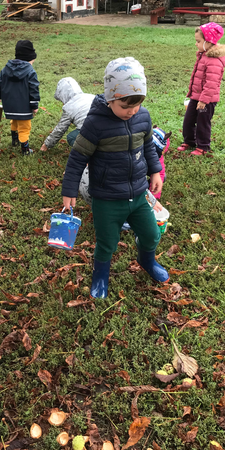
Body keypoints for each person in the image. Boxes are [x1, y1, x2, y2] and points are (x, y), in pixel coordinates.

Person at [62, 57, 169, 299]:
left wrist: (154, 171)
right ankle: (100, 276)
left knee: (151, 234)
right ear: (110, 98)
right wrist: (69, 190)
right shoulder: (95, 124)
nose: (132, 111)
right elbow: (77, 158)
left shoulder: (143, 117)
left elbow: (148, 146)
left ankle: (147, 261)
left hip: (139, 194)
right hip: (107, 198)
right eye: (125, 106)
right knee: (107, 242)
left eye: (137, 104)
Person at [177, 22, 225, 156]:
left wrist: (204, 100)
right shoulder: (203, 55)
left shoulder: (214, 60)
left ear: (209, 42)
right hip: (196, 96)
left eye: (198, 41)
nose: (196, 44)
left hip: (207, 100)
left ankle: (203, 146)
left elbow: (212, 83)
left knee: (202, 122)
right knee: (188, 120)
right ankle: (190, 141)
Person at [0, 40, 40, 155]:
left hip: (9, 105)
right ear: (30, 58)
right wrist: (34, 105)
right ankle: (25, 150)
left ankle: (15, 140)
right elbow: (33, 89)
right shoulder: (30, 71)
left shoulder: (6, 68)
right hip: (24, 107)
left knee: (14, 121)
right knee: (24, 127)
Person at [39, 77, 94, 151]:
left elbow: (60, 130)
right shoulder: (90, 96)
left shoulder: (69, 107)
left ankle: (91, 153)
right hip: (108, 130)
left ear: (63, 95)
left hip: (94, 133)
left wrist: (46, 145)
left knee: (71, 137)